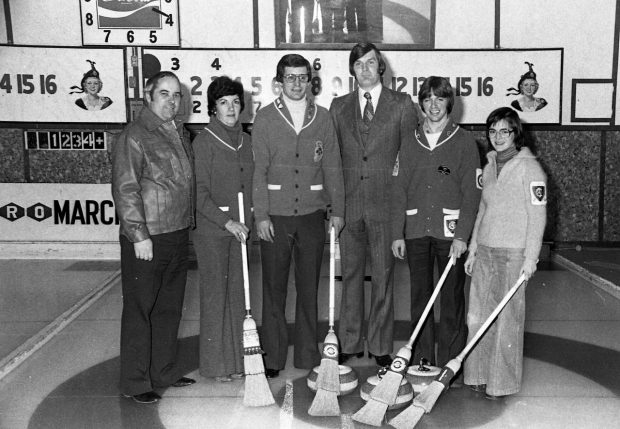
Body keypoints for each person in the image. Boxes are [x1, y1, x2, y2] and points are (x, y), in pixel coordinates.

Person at [252, 53, 345, 378]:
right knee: (273, 290)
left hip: (310, 216)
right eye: (289, 78)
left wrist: (337, 210)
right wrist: (261, 215)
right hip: (275, 217)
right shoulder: (264, 118)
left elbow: (332, 167)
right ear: (278, 82)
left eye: (302, 77)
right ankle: (274, 356)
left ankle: (307, 354)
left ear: (310, 81)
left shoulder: (322, 117)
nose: (296, 83)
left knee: (309, 289)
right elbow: (258, 171)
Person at [330, 42, 418, 367]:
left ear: (380, 67)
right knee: (350, 276)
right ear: (351, 70)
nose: (365, 69)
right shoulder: (338, 107)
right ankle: (350, 341)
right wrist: (335, 208)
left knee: (383, 277)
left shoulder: (402, 105)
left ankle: (381, 344)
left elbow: (409, 159)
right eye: (358, 64)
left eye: (371, 63)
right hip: (350, 208)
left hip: (386, 208)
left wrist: (404, 212)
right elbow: (332, 162)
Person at [111, 71, 196, 404]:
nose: (171, 101)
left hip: (175, 233)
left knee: (168, 310)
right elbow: (125, 188)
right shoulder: (134, 135)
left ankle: (162, 372)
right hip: (147, 237)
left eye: (176, 95)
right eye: (164, 94)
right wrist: (138, 234)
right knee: (139, 310)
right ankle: (134, 381)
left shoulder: (178, 132)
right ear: (148, 96)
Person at [391, 76, 481, 373]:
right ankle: (423, 360)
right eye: (428, 99)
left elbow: (472, 194)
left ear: (449, 104)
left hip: (450, 236)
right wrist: (397, 234)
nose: (433, 105)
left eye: (439, 99)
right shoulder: (409, 141)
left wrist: (462, 236)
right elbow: (398, 190)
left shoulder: (464, 141)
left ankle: (451, 363)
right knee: (420, 298)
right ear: (421, 103)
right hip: (416, 232)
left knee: (452, 298)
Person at [464, 107, 547, 400]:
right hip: (485, 251)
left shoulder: (530, 169)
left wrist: (530, 259)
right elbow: (482, 210)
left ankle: (502, 383)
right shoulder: (488, 167)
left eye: (505, 131)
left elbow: (538, 217)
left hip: (513, 255)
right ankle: (477, 374)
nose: (498, 137)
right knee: (477, 316)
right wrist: (474, 247)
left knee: (507, 320)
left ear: (516, 134)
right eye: (493, 131)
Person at [191, 77, 253, 382]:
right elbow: (198, 194)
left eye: (236, 101)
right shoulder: (203, 142)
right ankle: (216, 365)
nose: (231, 107)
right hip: (214, 232)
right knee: (216, 297)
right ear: (213, 108)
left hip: (240, 231)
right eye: (223, 102)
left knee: (238, 298)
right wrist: (226, 222)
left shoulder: (246, 140)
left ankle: (238, 362)